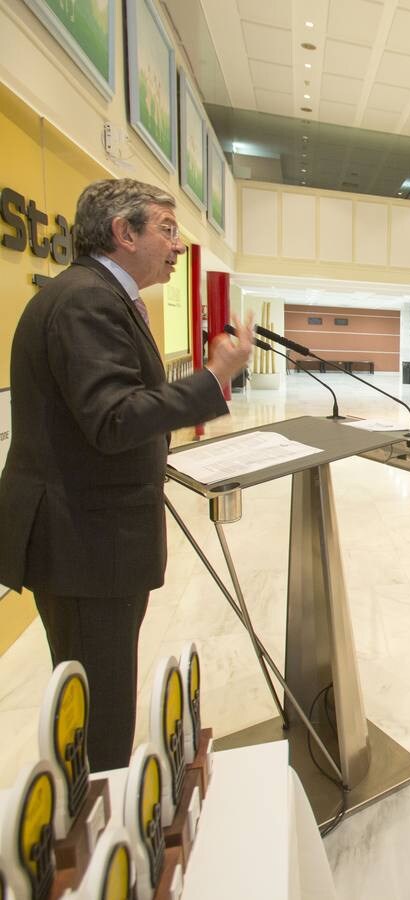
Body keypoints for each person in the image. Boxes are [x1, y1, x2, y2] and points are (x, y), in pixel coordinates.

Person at [0, 178, 254, 770]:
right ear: (123, 231)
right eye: (167, 229)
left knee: (95, 696)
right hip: (84, 542)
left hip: (88, 535)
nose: (178, 246)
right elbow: (113, 418)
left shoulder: (98, 296)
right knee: (100, 709)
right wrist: (212, 377)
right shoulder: (87, 300)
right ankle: (104, 837)